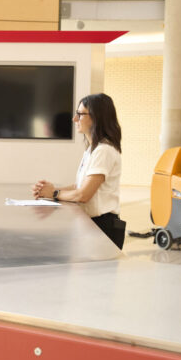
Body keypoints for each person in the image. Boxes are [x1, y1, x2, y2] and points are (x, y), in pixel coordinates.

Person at [31, 93, 125, 249]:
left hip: (104, 227)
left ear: (96, 117)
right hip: (93, 224)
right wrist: (47, 190)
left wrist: (54, 194)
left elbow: (83, 195)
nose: (74, 119)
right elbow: (78, 186)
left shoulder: (104, 150)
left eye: (80, 114)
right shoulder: (92, 150)